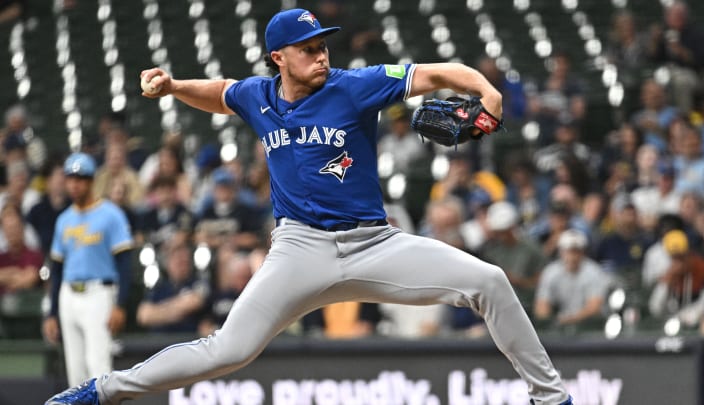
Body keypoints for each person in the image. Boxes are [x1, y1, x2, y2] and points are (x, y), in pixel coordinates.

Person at [46, 8, 571, 405]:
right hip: (299, 249)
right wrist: (175, 86)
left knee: (490, 282)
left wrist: (486, 91)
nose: (321, 55)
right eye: (307, 48)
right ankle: (103, 391)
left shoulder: (354, 86)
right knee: (229, 350)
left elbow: (436, 74)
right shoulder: (260, 96)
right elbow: (220, 92)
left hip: (373, 243)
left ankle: (552, 398)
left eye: (322, 45)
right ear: (279, 57)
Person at [42, 153, 134, 388]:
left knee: (98, 367)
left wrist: (120, 305)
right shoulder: (64, 219)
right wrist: (52, 312)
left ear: (92, 181)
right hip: (68, 294)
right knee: (75, 372)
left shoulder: (111, 214)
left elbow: (125, 263)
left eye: (81, 178)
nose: (75, 184)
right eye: (71, 178)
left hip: (99, 293)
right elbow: (57, 267)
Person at [534, 229, 611, 328]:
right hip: (561, 325)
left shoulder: (594, 272)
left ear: (583, 252)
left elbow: (594, 307)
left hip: (591, 326)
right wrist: (547, 323)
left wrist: (568, 320)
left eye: (576, 251)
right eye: (568, 251)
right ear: (561, 252)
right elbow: (541, 305)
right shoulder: (551, 272)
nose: (572, 256)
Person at [136, 239, 208, 334]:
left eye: (184, 261)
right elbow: (143, 316)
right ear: (168, 263)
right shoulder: (160, 287)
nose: (180, 264)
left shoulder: (197, 283)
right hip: (158, 345)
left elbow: (194, 303)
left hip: (186, 342)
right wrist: (177, 310)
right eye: (176, 260)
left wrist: (157, 312)